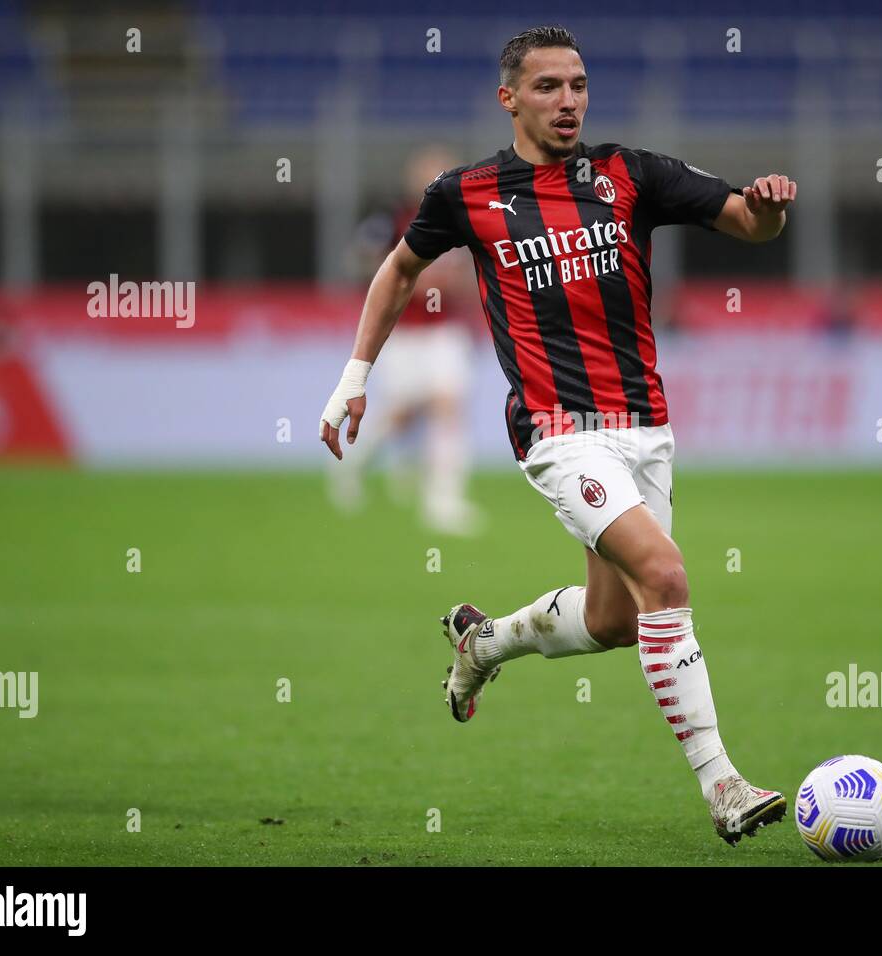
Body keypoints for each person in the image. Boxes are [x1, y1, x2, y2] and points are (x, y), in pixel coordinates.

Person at [319, 25, 797, 843]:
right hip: (558, 431)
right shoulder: (464, 194)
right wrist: (354, 377)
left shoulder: (630, 174)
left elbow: (749, 227)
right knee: (667, 577)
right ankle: (723, 785)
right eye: (547, 87)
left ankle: (483, 643)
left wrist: (770, 210)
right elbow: (399, 268)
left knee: (617, 620)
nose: (567, 100)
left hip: (645, 428)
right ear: (509, 98)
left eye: (577, 84)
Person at [326, 146, 484, 536]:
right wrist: (406, 280)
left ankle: (443, 502)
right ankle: (351, 462)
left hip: (445, 332)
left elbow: (472, 274)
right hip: (403, 332)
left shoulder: (463, 218)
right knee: (402, 416)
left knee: (450, 405)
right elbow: (361, 260)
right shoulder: (393, 219)